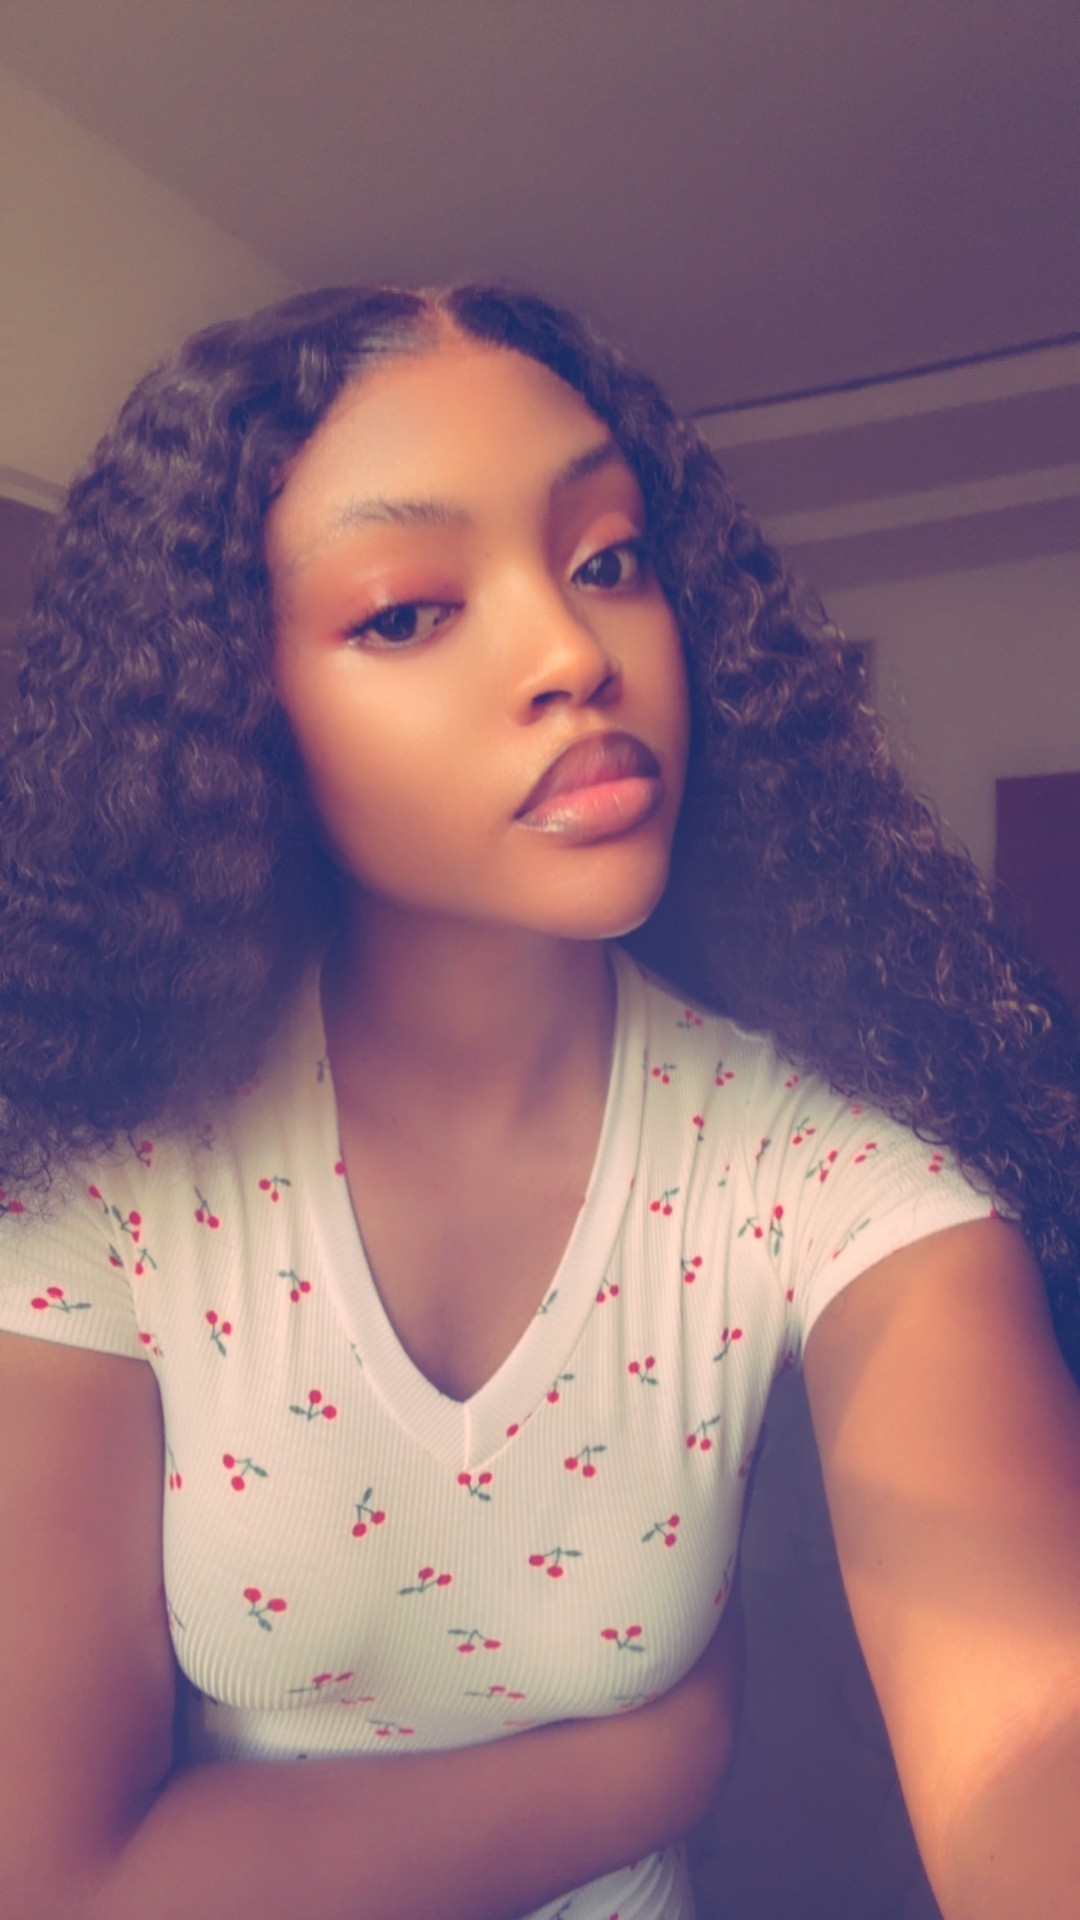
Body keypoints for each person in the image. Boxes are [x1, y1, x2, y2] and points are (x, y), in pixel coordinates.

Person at [0, 283, 1077, 1920]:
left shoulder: (828, 1166)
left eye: (608, 560)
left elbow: (1033, 1732)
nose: (576, 654)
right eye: (407, 612)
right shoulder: (102, 1179)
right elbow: (55, 1882)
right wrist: (654, 1765)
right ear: (235, 708)